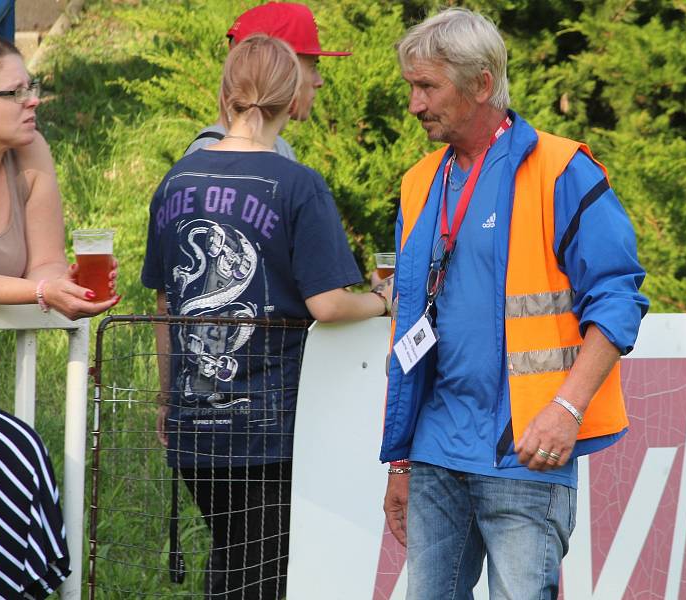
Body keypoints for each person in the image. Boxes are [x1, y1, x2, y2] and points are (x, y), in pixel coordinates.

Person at [380, 8, 649, 600]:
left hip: (526, 454)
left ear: (481, 83)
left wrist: (566, 410)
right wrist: (401, 463)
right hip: (434, 456)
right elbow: (410, 325)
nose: (415, 105)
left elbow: (619, 298)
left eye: (427, 87)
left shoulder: (562, 169)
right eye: (412, 87)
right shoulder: (418, 181)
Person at [142, 34, 390, 599]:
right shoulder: (298, 185)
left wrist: (166, 399)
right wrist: (380, 302)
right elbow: (327, 304)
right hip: (271, 426)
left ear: (226, 93)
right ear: (292, 96)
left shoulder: (177, 181)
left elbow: (163, 305)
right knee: (265, 568)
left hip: (194, 417)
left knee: (233, 556)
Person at [0, 31, 119, 598]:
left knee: (1, 464)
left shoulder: (31, 152)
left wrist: (64, 287)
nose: (33, 101)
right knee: (14, 451)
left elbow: (44, 264)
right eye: (16, 91)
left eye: (33, 87)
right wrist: (36, 295)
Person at [183, 1, 350, 159]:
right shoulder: (213, 151)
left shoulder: (279, 147)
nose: (319, 81)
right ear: (279, 69)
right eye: (313, 66)